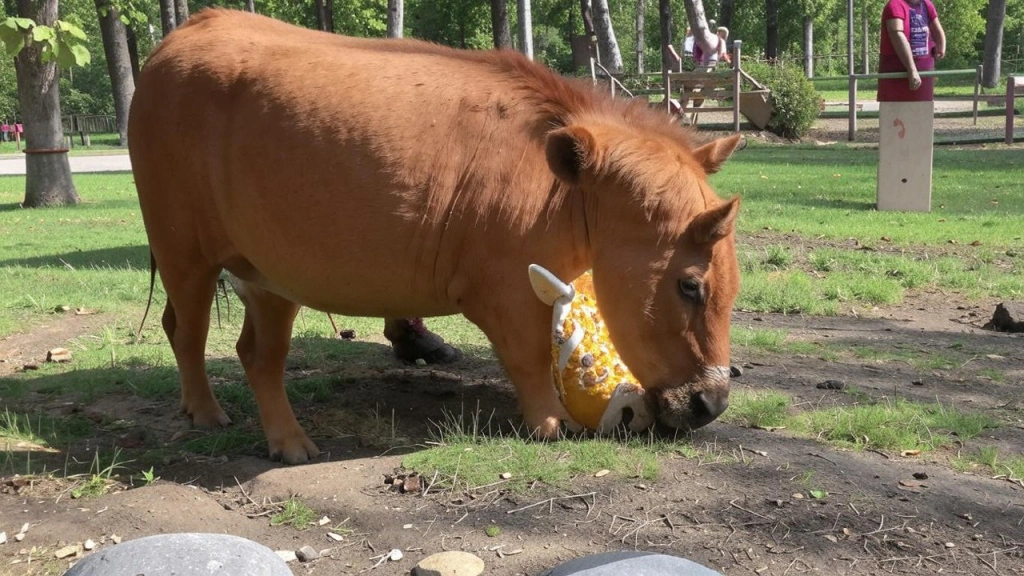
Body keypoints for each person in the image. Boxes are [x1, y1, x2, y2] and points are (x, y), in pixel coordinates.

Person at [878, 0, 946, 101]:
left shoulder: (927, 4)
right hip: (897, 74)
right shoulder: (895, 5)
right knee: (896, 110)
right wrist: (912, 70)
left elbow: (936, 27)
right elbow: (896, 35)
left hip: (924, 73)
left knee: (923, 109)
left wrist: (941, 46)